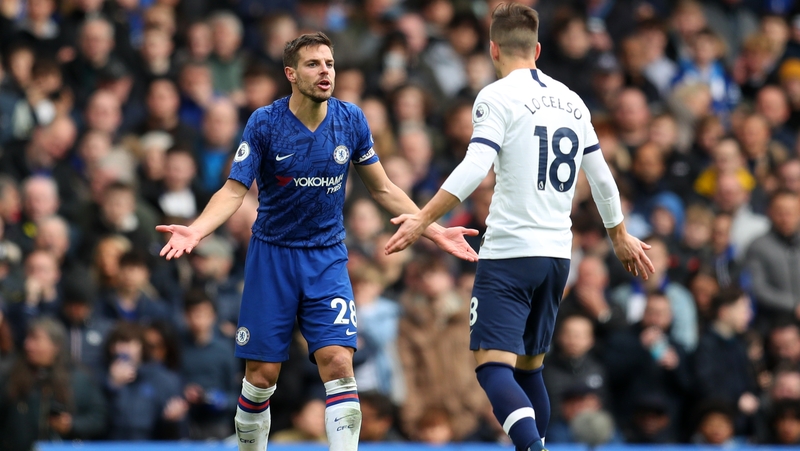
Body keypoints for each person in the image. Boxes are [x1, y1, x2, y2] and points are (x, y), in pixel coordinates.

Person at [156, 32, 478, 451]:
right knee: (261, 377)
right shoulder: (265, 123)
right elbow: (235, 191)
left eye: (329, 63)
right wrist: (197, 230)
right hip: (271, 257)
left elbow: (383, 188)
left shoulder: (351, 120)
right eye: (313, 64)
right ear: (291, 74)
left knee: (339, 361)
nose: (325, 71)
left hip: (326, 258)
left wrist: (433, 229)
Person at [384, 5, 653, 451]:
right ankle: (534, 442)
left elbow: (476, 167)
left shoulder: (496, 96)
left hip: (510, 253)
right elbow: (602, 179)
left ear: (493, 49)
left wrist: (423, 219)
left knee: (492, 368)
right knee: (530, 370)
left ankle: (532, 447)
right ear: (538, 50)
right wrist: (619, 235)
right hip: (557, 257)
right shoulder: (573, 100)